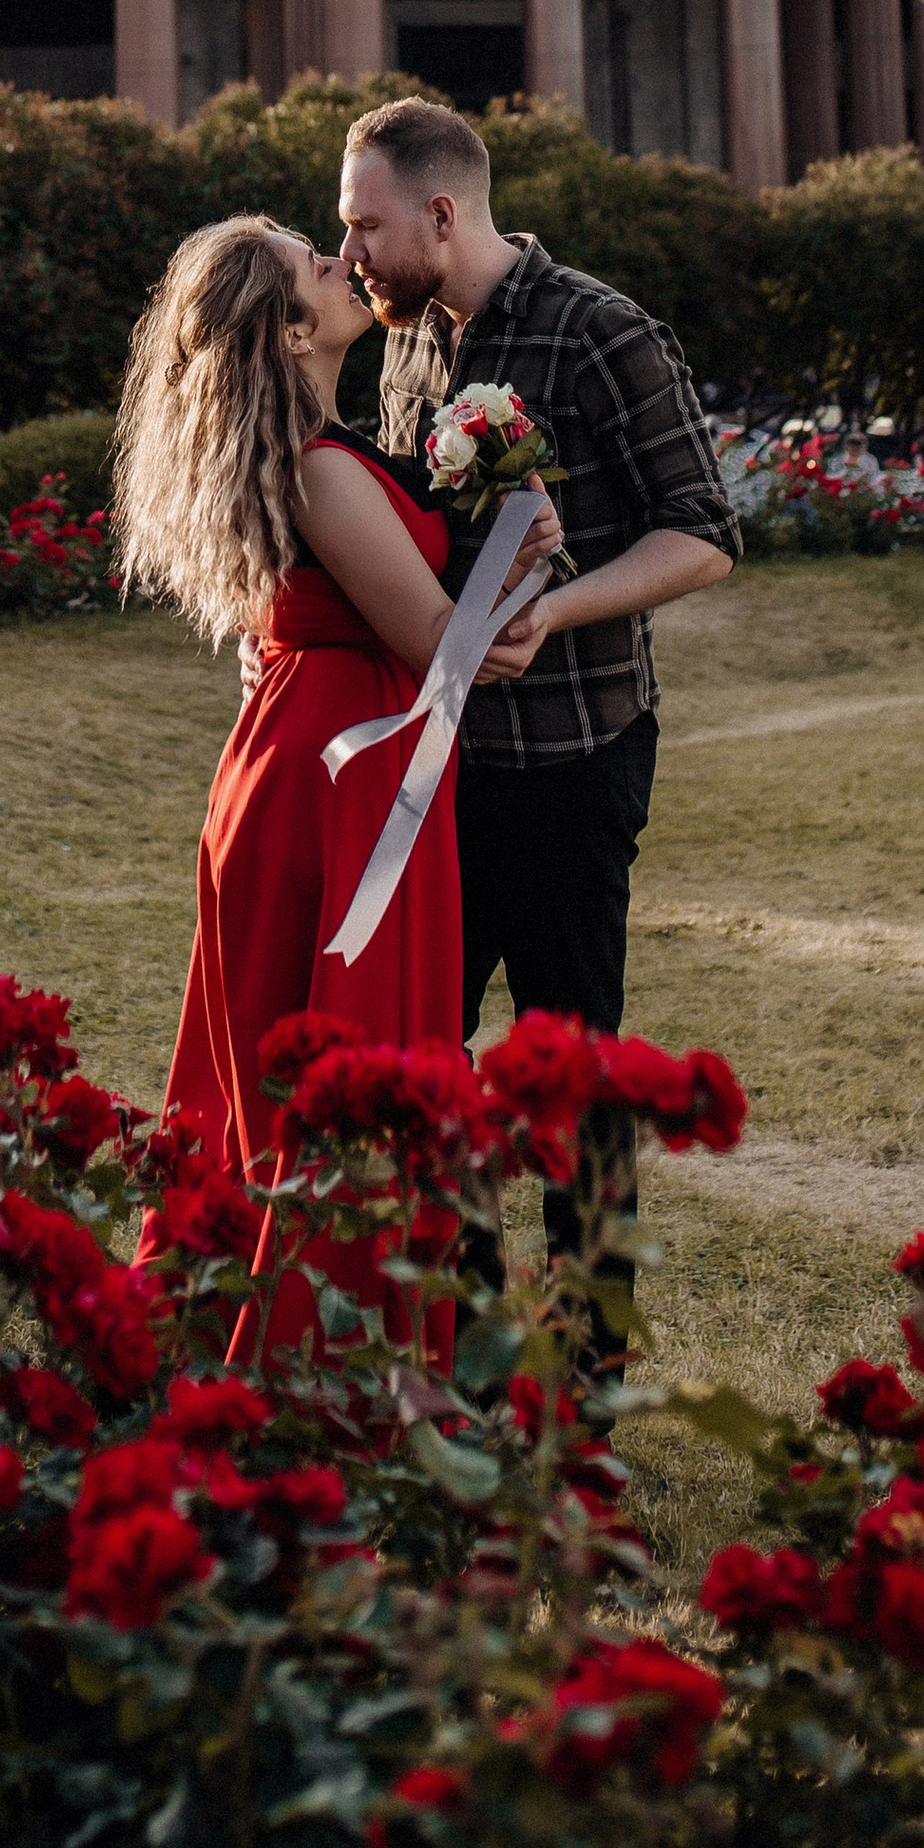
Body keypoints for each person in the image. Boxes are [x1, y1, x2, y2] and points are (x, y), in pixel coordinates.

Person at [118, 215, 558, 1359]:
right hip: (342, 781)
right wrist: (525, 563)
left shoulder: (312, 448)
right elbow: (447, 650)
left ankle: (252, 1318)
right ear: (288, 327)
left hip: (301, 763)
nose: (339, 262)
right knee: (336, 1060)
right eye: (313, 264)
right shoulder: (318, 463)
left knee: (279, 1056)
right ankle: (317, 1352)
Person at [345, 97, 737, 1314]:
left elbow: (706, 533)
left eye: (364, 226)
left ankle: (587, 1360)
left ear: (443, 213)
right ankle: (458, 1335)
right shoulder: (407, 342)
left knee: (579, 1076)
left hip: (576, 757)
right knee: (428, 1063)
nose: (349, 253)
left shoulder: (601, 330)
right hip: (444, 772)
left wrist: (553, 615)